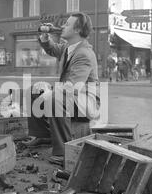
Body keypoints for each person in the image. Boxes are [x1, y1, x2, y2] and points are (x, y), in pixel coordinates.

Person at [25, 12, 100, 166]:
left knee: (54, 98)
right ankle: (44, 136)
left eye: (67, 24)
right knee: (35, 89)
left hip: (87, 102)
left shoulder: (84, 53)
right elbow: (54, 50)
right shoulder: (70, 47)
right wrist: (46, 39)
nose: (63, 26)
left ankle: (63, 152)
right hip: (72, 95)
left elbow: (72, 87)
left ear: (77, 30)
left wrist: (49, 92)